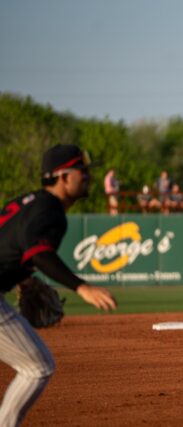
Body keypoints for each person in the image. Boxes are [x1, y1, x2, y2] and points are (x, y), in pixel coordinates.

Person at [0, 144, 118, 426]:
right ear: (63, 176)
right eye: (82, 171)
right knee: (38, 367)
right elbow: (37, 251)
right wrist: (81, 287)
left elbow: (12, 242)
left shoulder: (28, 202)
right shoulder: (50, 210)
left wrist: (23, 278)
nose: (87, 176)